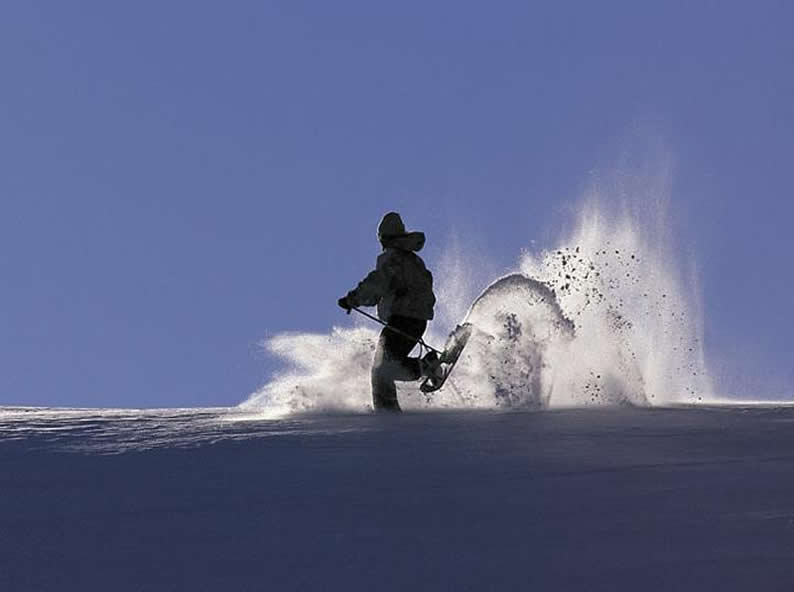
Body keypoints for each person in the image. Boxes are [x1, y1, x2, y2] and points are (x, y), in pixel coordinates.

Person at [338, 212, 437, 411]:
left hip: (403, 318)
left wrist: (353, 299)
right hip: (417, 320)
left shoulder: (392, 258)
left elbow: (377, 283)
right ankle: (425, 366)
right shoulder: (412, 260)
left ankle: (387, 416)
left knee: (381, 370)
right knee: (389, 366)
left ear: (386, 238)